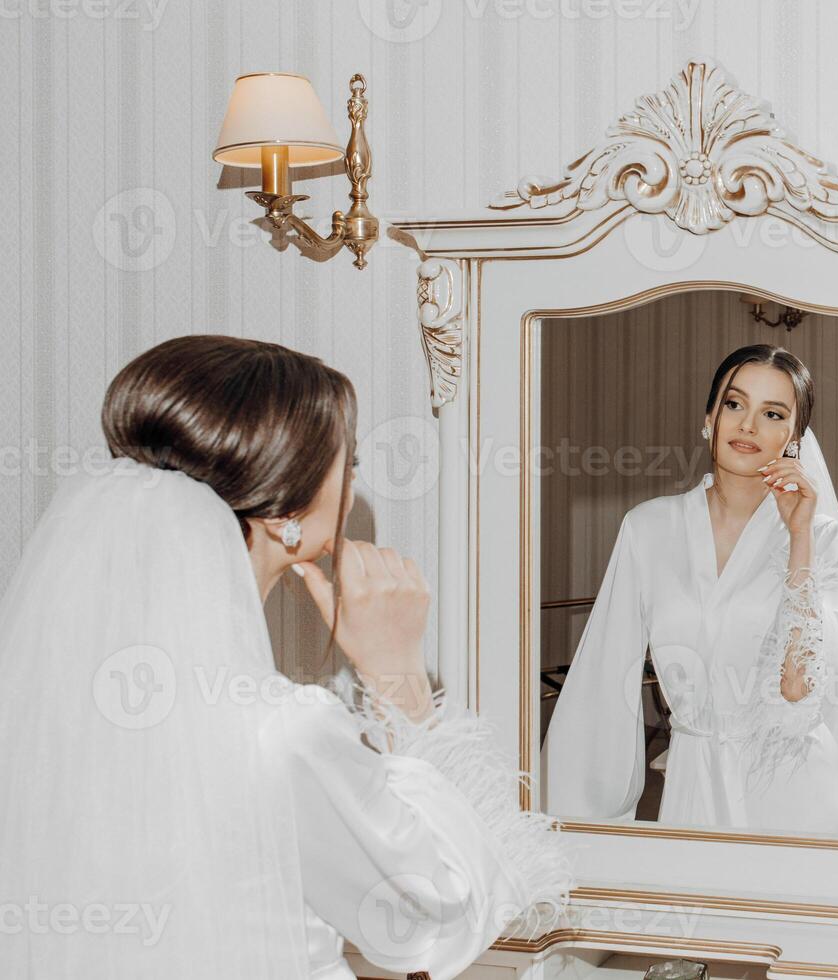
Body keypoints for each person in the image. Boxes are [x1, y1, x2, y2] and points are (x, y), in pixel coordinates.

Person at [0, 335, 572, 979]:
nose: (354, 489)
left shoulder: (52, 707)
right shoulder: (281, 731)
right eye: (348, 464)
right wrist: (398, 674)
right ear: (286, 514)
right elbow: (430, 915)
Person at [541, 344, 838, 838]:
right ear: (709, 417)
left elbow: (798, 690)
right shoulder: (648, 529)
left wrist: (799, 539)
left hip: (800, 804)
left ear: (794, 440)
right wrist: (579, 829)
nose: (748, 425)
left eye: (772, 413)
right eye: (734, 404)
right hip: (694, 790)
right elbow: (602, 680)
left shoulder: (820, 538)